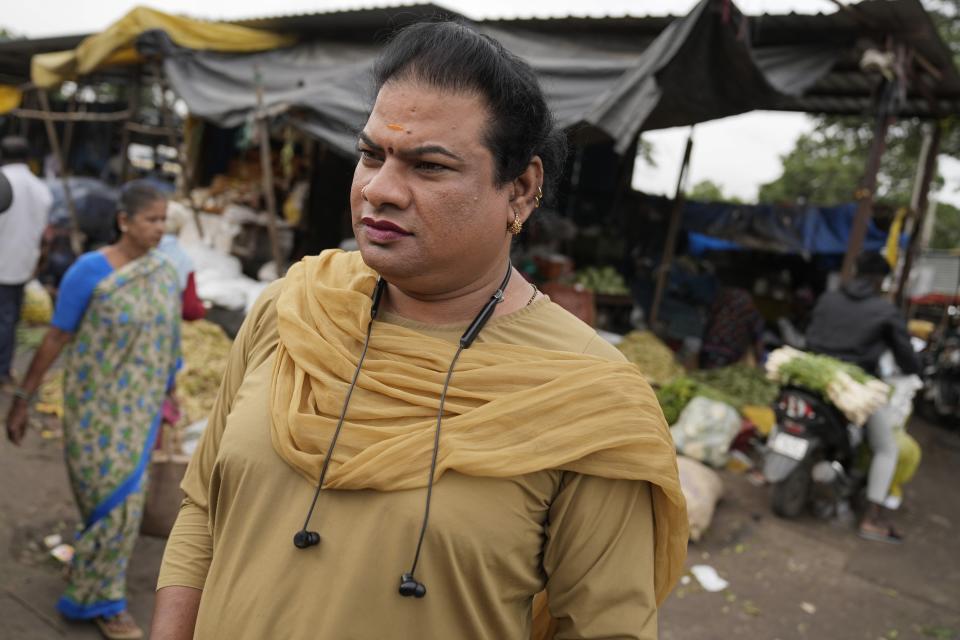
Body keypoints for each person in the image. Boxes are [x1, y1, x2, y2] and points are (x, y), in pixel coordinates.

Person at [151, 21, 687, 640]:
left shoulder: (588, 401)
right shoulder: (292, 311)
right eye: (371, 154)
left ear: (521, 189)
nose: (379, 190)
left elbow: (605, 629)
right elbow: (203, 513)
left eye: (428, 166)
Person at [5, 181, 181, 640]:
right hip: (93, 408)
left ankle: (104, 600)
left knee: (123, 507)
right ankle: (94, 574)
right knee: (100, 500)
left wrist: (171, 392)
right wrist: (23, 400)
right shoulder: (89, 271)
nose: (160, 229)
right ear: (124, 221)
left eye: (164, 219)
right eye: (152, 219)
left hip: (139, 407)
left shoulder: (163, 272)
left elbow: (169, 339)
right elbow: (56, 337)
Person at [806, 252, 920, 543]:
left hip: (813, 376)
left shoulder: (829, 297)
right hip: (854, 385)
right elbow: (907, 358)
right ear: (880, 279)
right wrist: (915, 368)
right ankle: (871, 519)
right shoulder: (884, 310)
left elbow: (811, 334)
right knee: (887, 448)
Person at [0, 136, 53, 386]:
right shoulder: (41, 188)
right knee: (9, 318)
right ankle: (3, 368)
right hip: (20, 263)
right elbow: (43, 232)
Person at [700, 286, 765, 369]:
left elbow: (708, 319)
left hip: (710, 347)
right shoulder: (750, 311)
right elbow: (758, 337)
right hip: (729, 352)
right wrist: (760, 361)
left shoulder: (723, 302)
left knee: (709, 374)